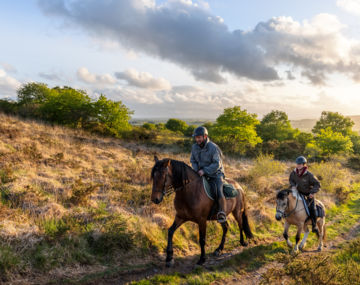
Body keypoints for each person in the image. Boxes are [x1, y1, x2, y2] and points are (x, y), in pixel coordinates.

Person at [190, 126, 226, 223]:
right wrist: (197, 170)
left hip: (216, 173)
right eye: (196, 137)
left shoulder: (213, 147)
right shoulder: (194, 147)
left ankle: (222, 212)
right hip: (200, 173)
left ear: (205, 136)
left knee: (218, 189)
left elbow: (217, 164)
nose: (197, 139)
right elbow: (192, 160)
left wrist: (204, 171)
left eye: (199, 137)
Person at [289, 156, 321, 234]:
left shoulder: (309, 174)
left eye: (300, 164)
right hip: (298, 193)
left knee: (312, 208)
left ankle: (314, 226)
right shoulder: (293, 173)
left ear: (304, 164)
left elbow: (317, 184)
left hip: (308, 194)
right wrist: (293, 185)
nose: (298, 165)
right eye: (297, 164)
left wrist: (312, 192)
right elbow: (291, 180)